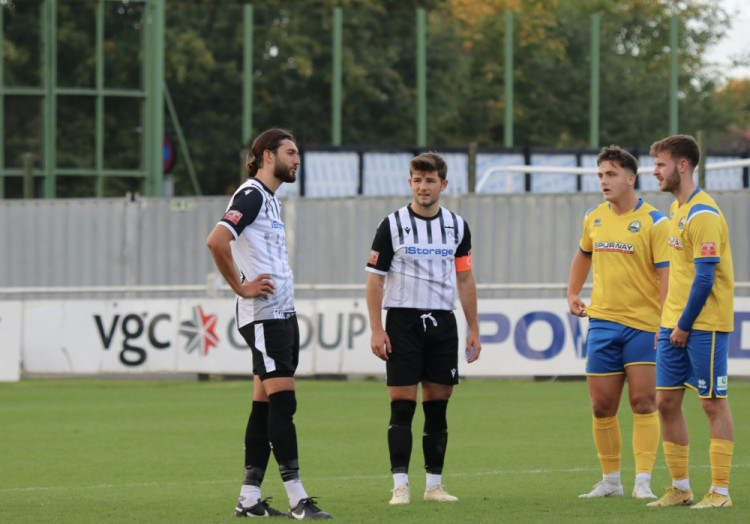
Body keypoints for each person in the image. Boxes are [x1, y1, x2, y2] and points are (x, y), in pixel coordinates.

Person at [206, 128, 332, 519]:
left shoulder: (271, 201)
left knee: (264, 407)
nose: (297, 159)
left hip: (281, 315)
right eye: (290, 152)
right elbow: (216, 240)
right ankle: (297, 499)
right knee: (284, 401)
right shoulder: (251, 195)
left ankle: (248, 499)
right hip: (264, 317)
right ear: (266, 156)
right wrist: (241, 288)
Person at [365, 151, 481, 506]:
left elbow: (465, 278)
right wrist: (376, 328)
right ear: (410, 182)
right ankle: (400, 485)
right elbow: (375, 281)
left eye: (430, 180)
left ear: (443, 184)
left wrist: (473, 327)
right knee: (402, 406)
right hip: (401, 322)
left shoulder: (458, 227)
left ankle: (434, 485)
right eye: (417, 180)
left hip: (442, 323)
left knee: (438, 406)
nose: (423, 186)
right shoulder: (391, 225)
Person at [567, 145, 669, 500]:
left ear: (630, 178)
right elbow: (583, 254)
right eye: (600, 175)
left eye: (610, 174)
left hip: (644, 325)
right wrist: (572, 293)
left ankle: (643, 480)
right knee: (601, 406)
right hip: (603, 323)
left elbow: (666, 274)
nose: (603, 181)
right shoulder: (594, 217)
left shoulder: (656, 221)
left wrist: (664, 321)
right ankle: (611, 481)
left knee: (643, 402)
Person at [647, 134, 735, 509]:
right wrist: (666, 322)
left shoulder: (704, 215)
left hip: (704, 324)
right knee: (665, 401)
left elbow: (704, 278)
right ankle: (681, 487)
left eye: (661, 165)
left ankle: (720, 492)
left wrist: (682, 325)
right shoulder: (675, 211)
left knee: (712, 402)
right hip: (673, 324)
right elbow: (678, 275)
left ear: (682, 165)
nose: (655, 172)